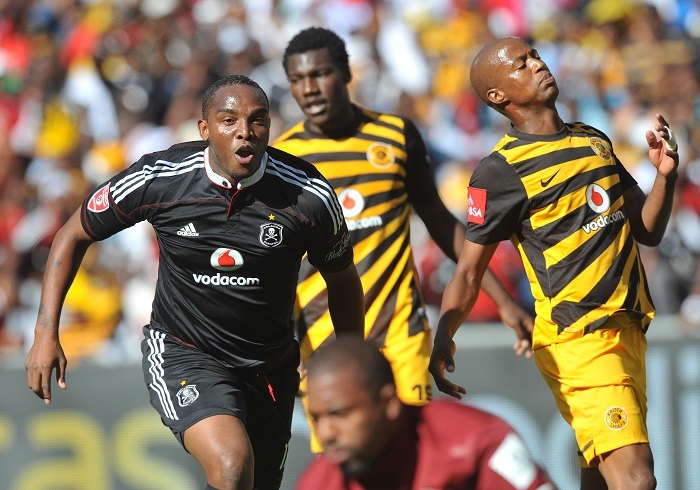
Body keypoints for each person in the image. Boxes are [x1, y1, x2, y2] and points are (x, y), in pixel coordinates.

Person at [24, 74, 364, 490]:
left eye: (258, 120)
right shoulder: (161, 177)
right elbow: (72, 234)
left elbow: (343, 281)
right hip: (185, 352)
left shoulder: (307, 194)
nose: (245, 132)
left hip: (270, 366)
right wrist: (45, 334)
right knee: (231, 465)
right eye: (229, 120)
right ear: (204, 129)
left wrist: (351, 363)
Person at [429, 36, 679, 490]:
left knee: (600, 477)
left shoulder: (593, 140)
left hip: (627, 328)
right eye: (521, 64)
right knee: (636, 479)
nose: (538, 64)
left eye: (535, 56)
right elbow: (468, 269)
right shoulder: (499, 170)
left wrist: (665, 177)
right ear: (497, 96)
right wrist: (445, 333)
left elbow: (647, 229)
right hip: (579, 337)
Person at [274, 26, 535, 453]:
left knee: (412, 456)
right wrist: (292, 352)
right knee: (351, 468)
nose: (309, 89)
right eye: (298, 80)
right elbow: (279, 265)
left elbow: (439, 220)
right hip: (325, 348)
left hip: (401, 334)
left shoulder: (396, 135)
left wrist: (504, 302)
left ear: (345, 73)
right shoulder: (284, 160)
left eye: (320, 74)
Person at [297, 337, 555, 489]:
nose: (325, 433)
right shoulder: (319, 482)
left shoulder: (478, 442)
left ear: (389, 403)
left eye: (339, 414)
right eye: (316, 418)